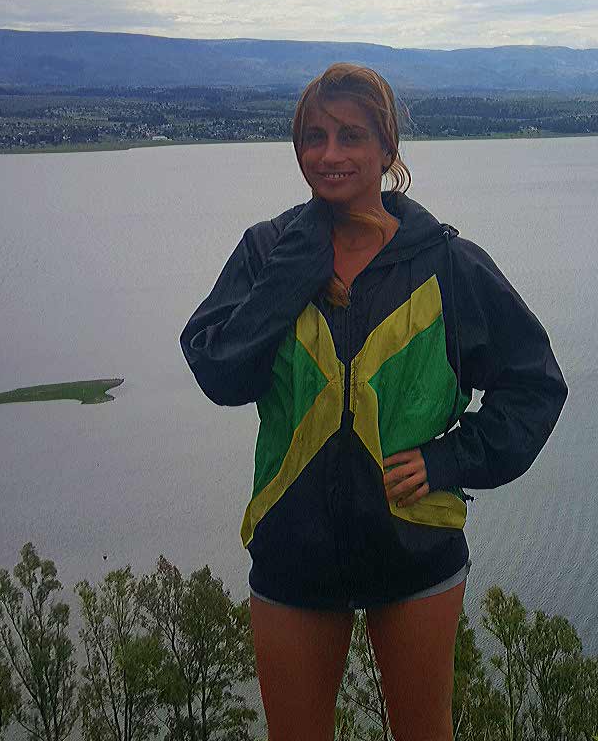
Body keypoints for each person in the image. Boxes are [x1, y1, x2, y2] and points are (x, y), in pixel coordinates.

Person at [180, 63, 566, 741]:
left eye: (351, 136)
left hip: (414, 543)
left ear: (387, 149)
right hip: (293, 546)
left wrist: (450, 460)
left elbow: (534, 385)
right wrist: (290, 277)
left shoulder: (446, 263)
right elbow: (220, 373)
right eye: (315, 137)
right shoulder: (268, 251)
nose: (329, 154)